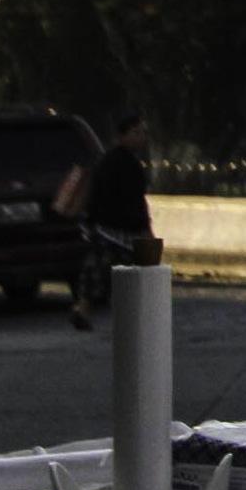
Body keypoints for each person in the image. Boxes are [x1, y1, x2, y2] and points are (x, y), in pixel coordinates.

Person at [70, 111, 152, 329]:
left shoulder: (110, 161)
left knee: (98, 274)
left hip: (104, 229)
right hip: (120, 230)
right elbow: (135, 201)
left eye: (143, 132)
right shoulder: (126, 165)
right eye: (136, 133)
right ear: (122, 136)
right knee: (129, 276)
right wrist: (145, 229)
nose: (142, 137)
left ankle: (83, 310)